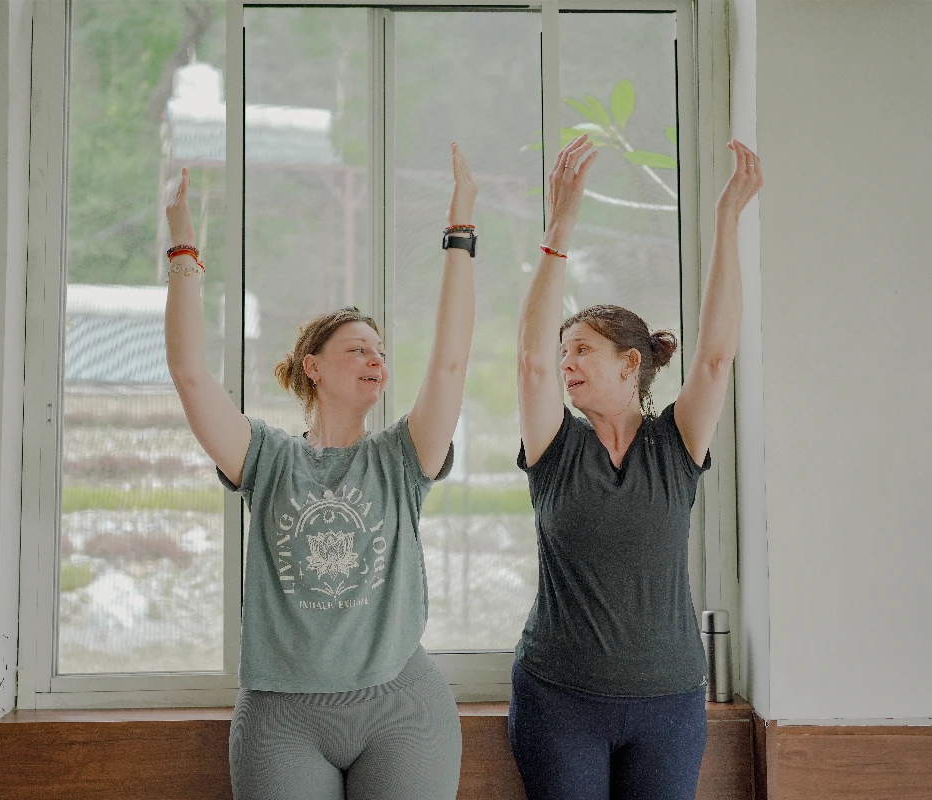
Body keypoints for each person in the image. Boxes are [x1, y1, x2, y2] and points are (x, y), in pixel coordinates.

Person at [163, 143, 480, 800]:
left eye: (382, 352)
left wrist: (460, 235)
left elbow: (450, 366)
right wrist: (183, 254)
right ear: (314, 365)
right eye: (358, 347)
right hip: (283, 714)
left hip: (401, 707)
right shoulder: (269, 459)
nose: (377, 359)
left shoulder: (401, 457)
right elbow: (192, 376)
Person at [509, 133, 763, 800]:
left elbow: (715, 357)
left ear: (630, 364)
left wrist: (727, 222)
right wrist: (559, 226)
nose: (565, 363)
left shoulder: (675, 444)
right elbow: (530, 361)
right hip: (558, 699)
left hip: (670, 702)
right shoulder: (554, 447)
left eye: (583, 349)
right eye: (565, 351)